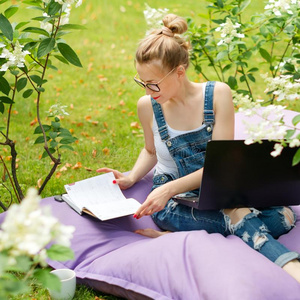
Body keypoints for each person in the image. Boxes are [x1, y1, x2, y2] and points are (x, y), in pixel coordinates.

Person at [97, 13, 300, 283]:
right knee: (240, 216)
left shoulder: (218, 95)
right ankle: (292, 268)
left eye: (153, 83)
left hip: (217, 187)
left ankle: (187, 236)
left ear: (179, 72)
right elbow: (150, 151)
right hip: (172, 202)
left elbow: (222, 169)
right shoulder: (147, 106)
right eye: (142, 83)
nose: (147, 91)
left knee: (284, 217)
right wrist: (133, 176)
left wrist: (166, 190)